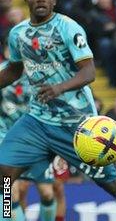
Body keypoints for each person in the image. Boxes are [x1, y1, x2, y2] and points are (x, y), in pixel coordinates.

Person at [0, 0, 116, 221]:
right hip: (36, 121)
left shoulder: (68, 28)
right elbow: (13, 70)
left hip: (76, 124)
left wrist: (59, 88)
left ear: (54, 0)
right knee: (4, 176)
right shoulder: (18, 34)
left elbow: (89, 71)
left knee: (112, 184)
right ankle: (6, 216)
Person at [0, 59, 60, 221]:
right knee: (9, 192)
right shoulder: (3, 72)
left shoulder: (41, 74)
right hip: (6, 140)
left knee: (47, 192)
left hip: (35, 141)